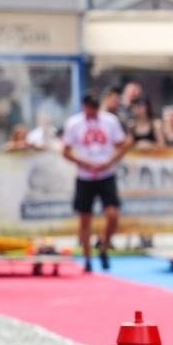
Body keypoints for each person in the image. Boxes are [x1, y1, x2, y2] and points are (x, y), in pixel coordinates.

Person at [63, 92, 133, 272]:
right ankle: (87, 259)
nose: (92, 112)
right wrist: (84, 163)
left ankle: (104, 246)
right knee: (85, 219)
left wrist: (110, 161)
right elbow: (66, 151)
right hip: (85, 176)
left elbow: (123, 144)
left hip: (106, 174)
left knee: (112, 215)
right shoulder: (74, 123)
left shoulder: (109, 121)